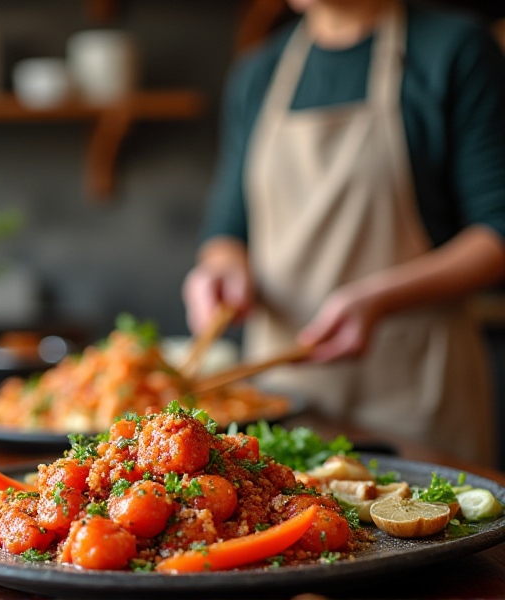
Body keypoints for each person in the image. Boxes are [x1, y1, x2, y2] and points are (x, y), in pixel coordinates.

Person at [183, 0, 505, 466]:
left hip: (415, 394)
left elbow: (496, 232)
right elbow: (227, 232)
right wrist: (219, 271)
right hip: (279, 398)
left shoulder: (454, 50)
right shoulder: (259, 71)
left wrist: (379, 297)